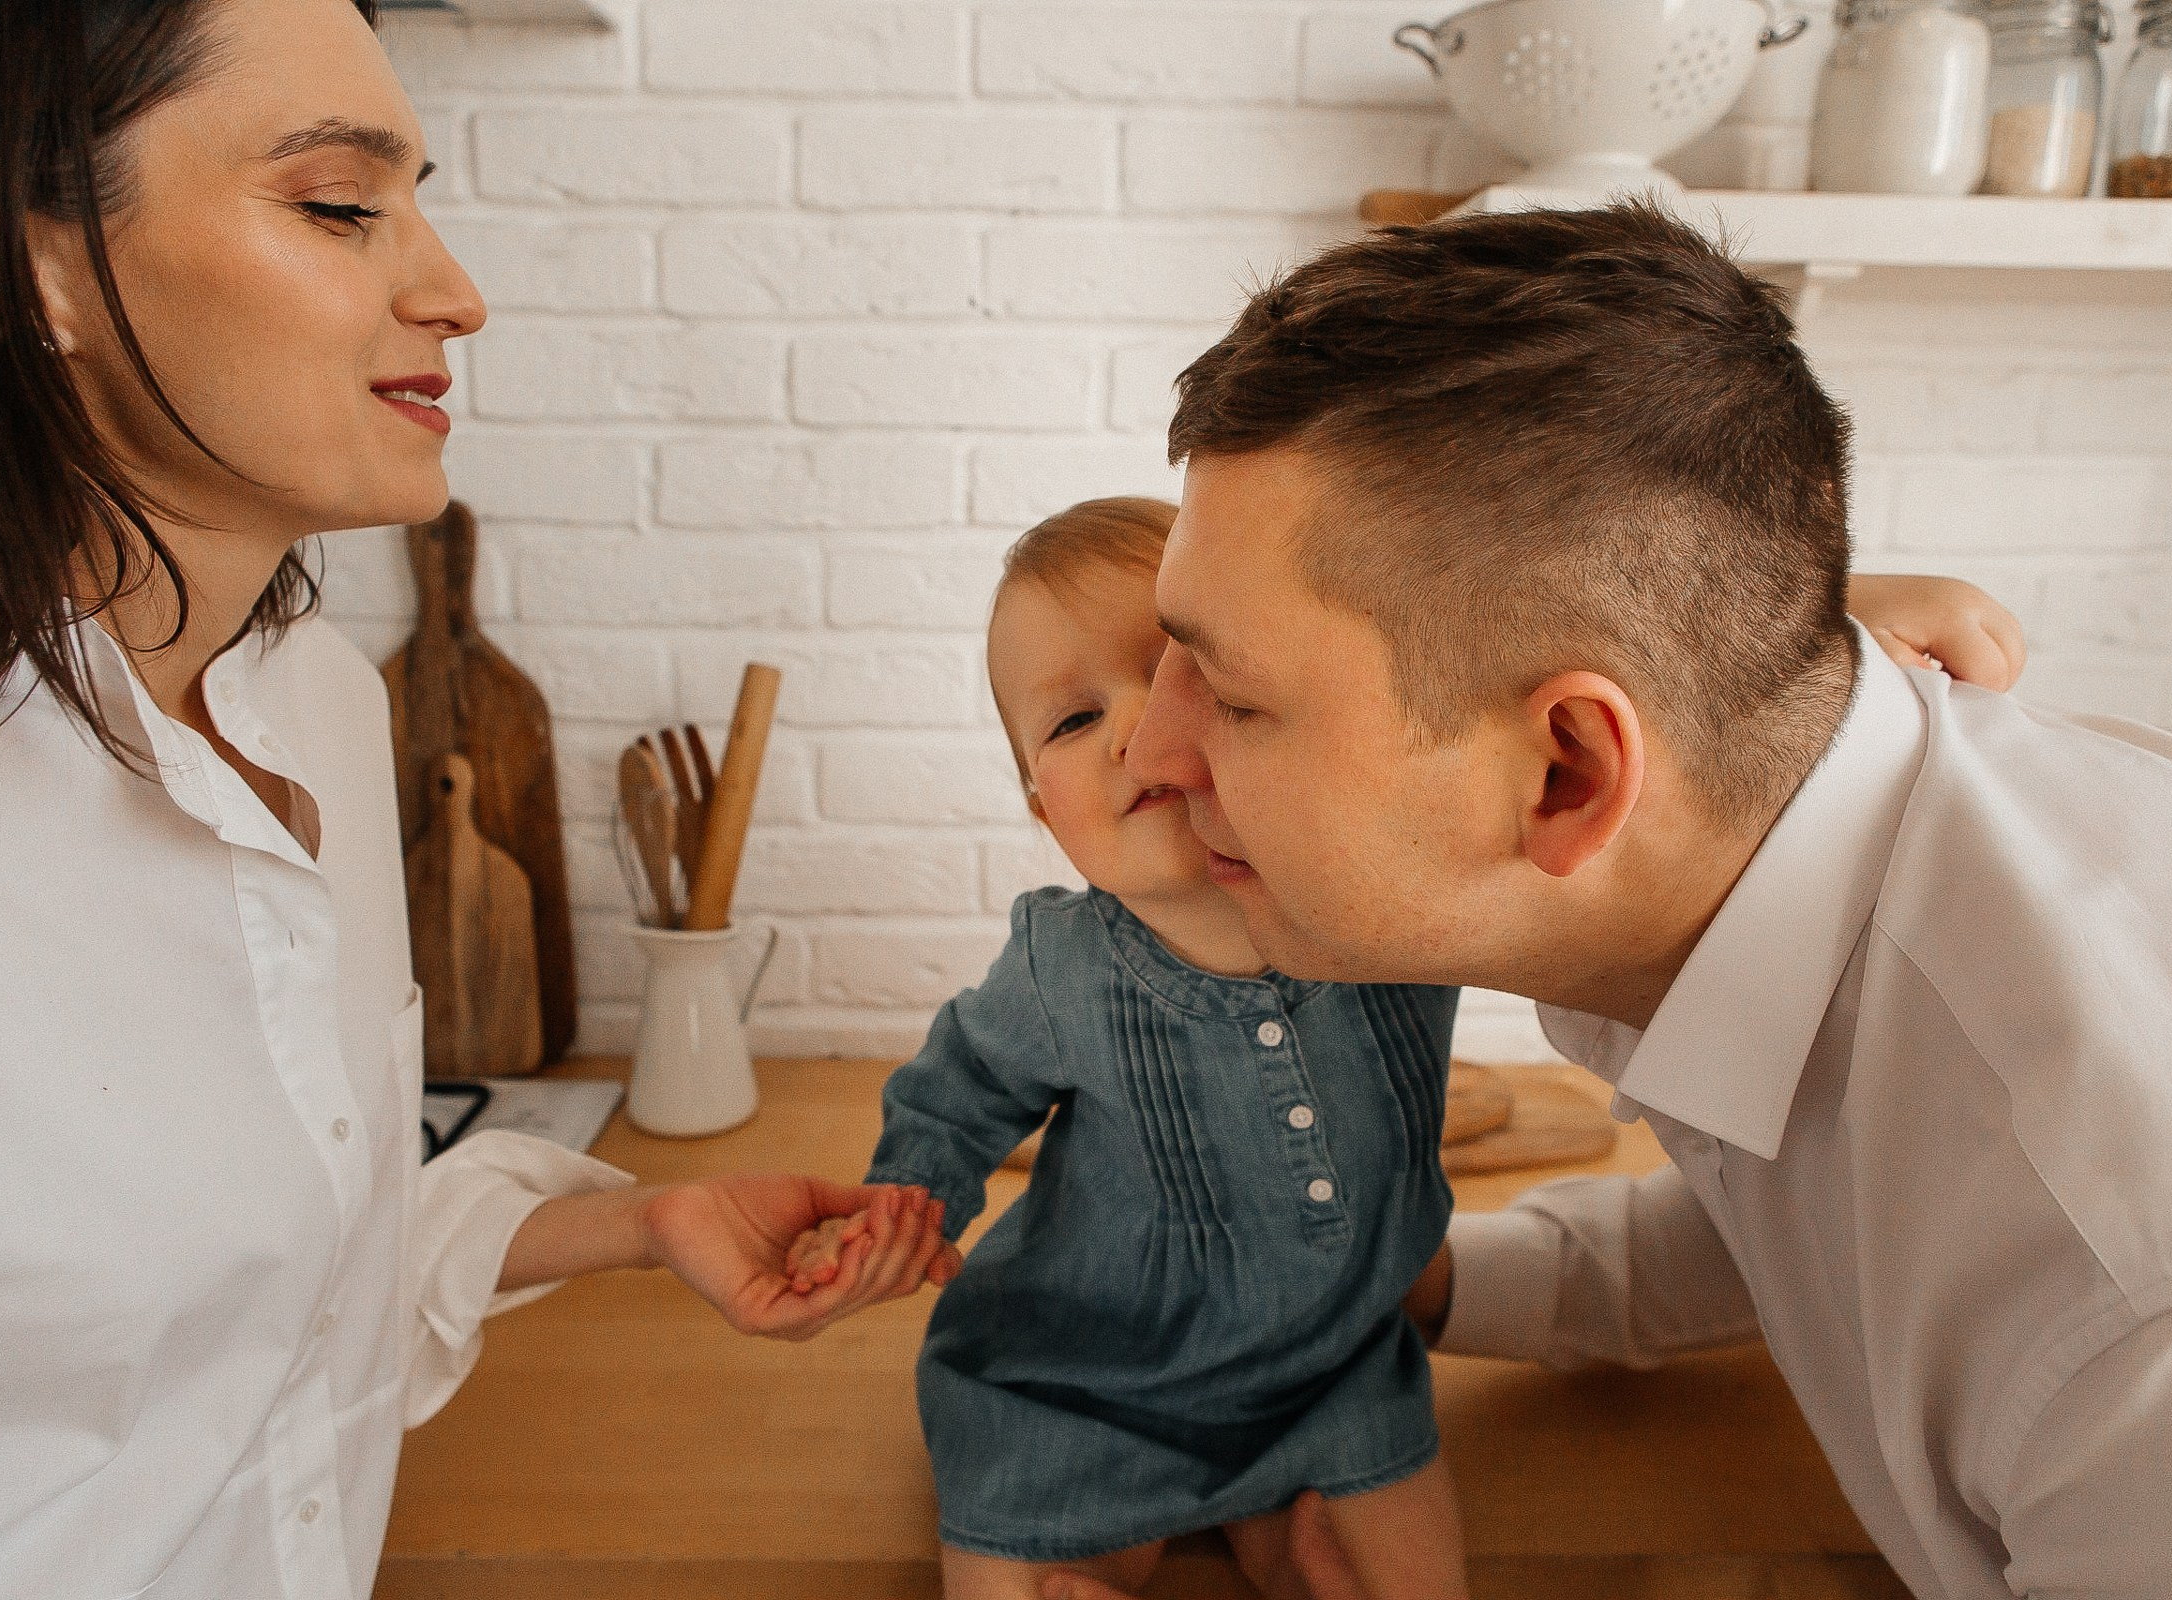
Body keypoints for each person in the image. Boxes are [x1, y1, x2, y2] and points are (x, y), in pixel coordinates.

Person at [1050, 201, 2172, 1600]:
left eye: (1230, 695)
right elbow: (1835, 1212)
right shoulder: (1784, 798)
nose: (1152, 757)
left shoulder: (2169, 1320)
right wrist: (1412, 1278)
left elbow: (1975, 1248)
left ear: (1570, 773)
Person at [0, 5, 945, 1597]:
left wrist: (632, 1226)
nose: (453, 291)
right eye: (337, 206)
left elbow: (270, 1292)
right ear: (28, 270)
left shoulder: (317, 702)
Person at [785, 496, 2024, 1600]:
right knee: (1016, 1563)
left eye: (1182, 677)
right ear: (1034, 804)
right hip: (1079, 1375)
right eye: (1069, 719)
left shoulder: (1381, 896)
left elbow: (1536, 726)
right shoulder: (1057, 966)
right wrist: (905, 1203)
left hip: (1333, 1366)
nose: (1135, 736)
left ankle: (1288, 1526)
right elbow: (953, 1097)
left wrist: (1823, 623)